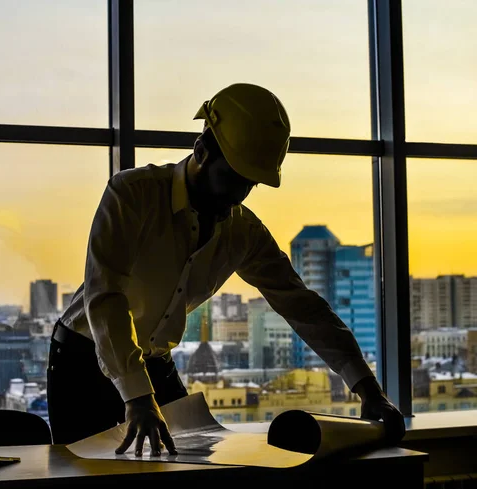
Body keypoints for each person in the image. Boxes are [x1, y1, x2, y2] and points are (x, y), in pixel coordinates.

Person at [47, 83, 406, 456]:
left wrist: (369, 390)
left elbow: (303, 306)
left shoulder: (242, 231)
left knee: (186, 469)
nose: (236, 196)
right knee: (81, 479)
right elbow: (105, 297)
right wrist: (138, 397)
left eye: (248, 185)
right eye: (230, 180)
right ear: (200, 151)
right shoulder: (132, 195)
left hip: (154, 360)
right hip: (83, 360)